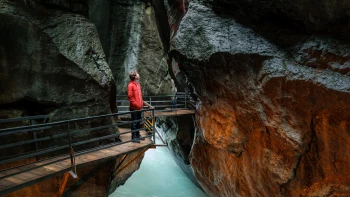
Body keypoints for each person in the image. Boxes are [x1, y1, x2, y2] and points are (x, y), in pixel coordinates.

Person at [127, 71, 144, 143]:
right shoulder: (130, 85)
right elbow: (130, 97)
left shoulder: (138, 84)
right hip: (134, 108)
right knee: (134, 122)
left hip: (139, 107)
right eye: (137, 74)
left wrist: (141, 103)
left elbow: (140, 95)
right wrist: (136, 104)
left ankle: (137, 134)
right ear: (134, 76)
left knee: (138, 121)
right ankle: (133, 137)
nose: (138, 74)